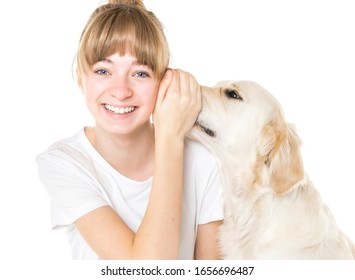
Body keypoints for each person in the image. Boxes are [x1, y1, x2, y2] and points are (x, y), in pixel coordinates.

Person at [36, 0, 223, 260]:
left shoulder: (205, 160)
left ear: (164, 82)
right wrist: (170, 138)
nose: (121, 91)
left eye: (141, 74)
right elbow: (145, 271)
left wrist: (171, 137)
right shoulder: (64, 162)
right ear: (80, 79)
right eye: (103, 70)